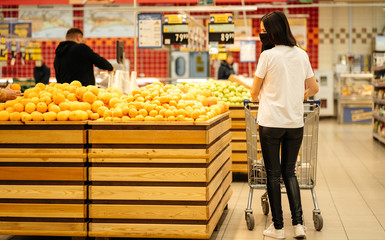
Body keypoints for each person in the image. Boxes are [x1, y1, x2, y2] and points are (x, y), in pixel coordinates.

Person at [250, 11, 319, 239]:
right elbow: (314, 88)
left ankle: (278, 228)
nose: (262, 34)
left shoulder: (267, 56)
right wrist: (300, 95)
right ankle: (298, 225)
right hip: (294, 123)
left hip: (270, 123)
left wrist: (266, 94)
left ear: (272, 32)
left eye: (263, 30)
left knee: (272, 174)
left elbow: (253, 93)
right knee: (289, 172)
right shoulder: (301, 55)